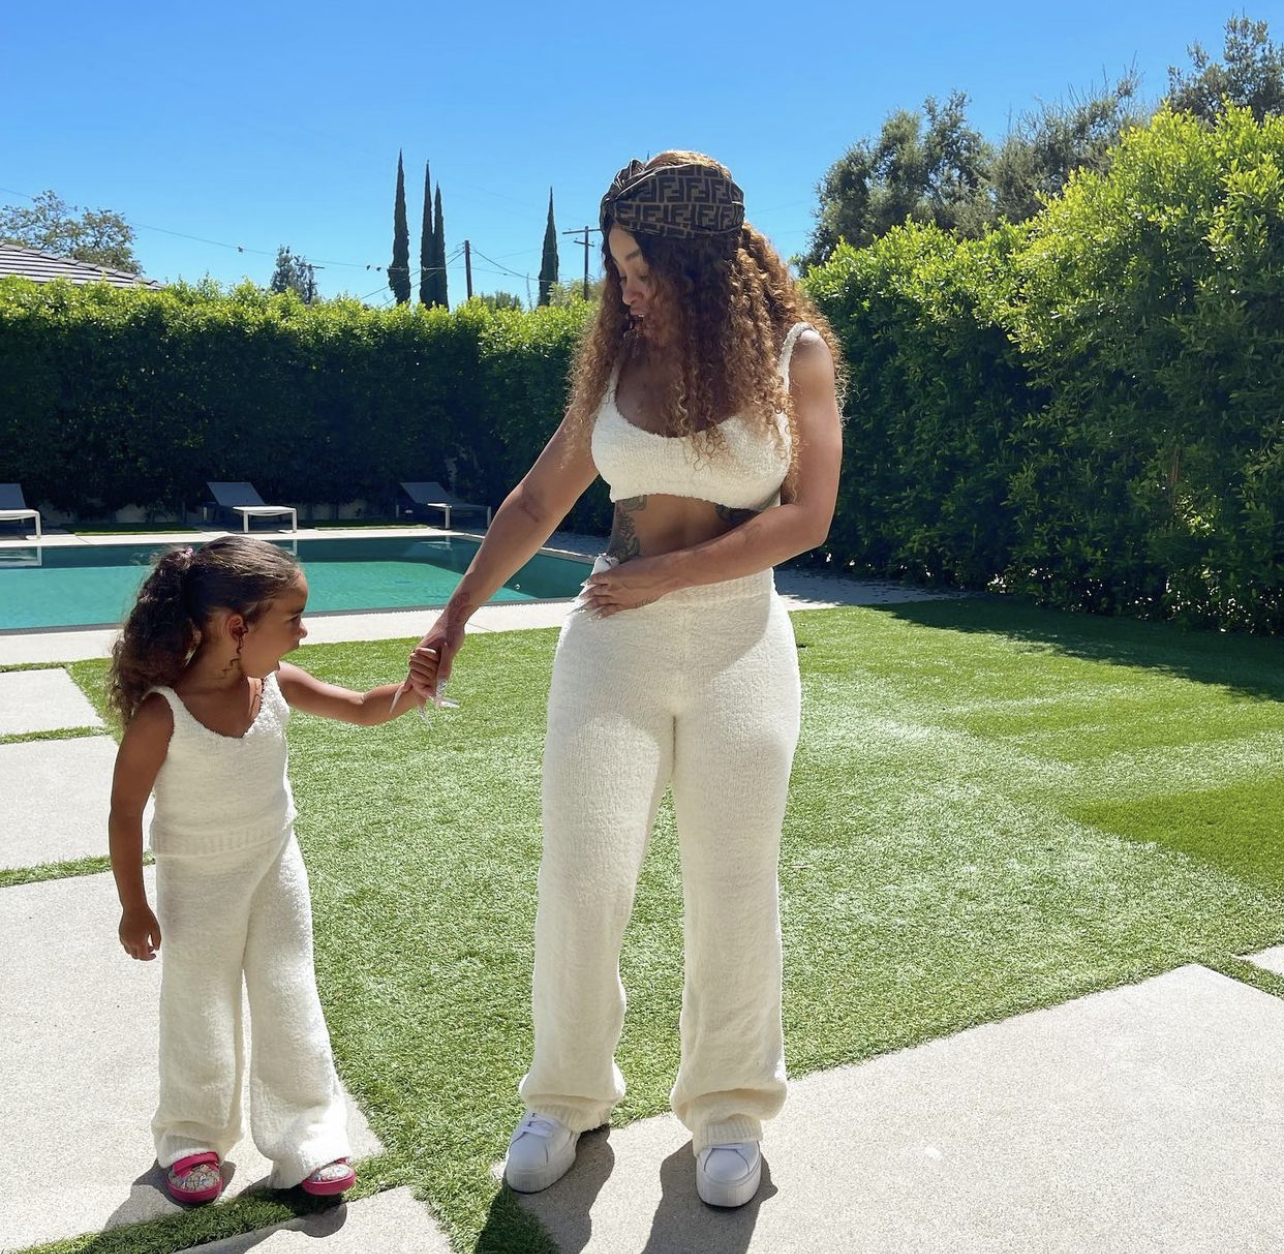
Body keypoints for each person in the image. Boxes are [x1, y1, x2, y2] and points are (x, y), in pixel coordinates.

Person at [406, 150, 843, 1208]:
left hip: (740, 646)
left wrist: (669, 576)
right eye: (619, 270)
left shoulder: (795, 357)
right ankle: (564, 1096)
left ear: (699, 261)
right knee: (584, 874)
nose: (628, 290)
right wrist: (455, 614)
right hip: (612, 648)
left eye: (643, 269)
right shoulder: (614, 365)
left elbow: (807, 517)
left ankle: (730, 1109)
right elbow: (535, 500)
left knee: (734, 882)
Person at [108, 535, 426, 1205]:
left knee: (289, 995)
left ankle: (308, 1135)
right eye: (293, 619)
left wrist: (412, 689)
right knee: (199, 1007)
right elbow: (124, 812)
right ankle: (191, 1136)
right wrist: (134, 905)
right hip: (196, 886)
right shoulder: (163, 714)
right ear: (236, 627)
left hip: (276, 869)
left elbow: (359, 708)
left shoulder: (275, 684)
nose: (303, 633)